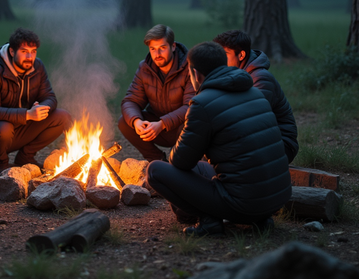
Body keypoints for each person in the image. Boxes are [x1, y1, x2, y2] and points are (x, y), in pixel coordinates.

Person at [146, 42, 292, 236]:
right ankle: (261, 220)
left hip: (243, 204)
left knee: (155, 170)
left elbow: (180, 161)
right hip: (276, 198)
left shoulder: (201, 103)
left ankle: (209, 222)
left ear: (195, 74)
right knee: (200, 167)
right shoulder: (255, 92)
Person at [0, 28, 72, 178]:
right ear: (12, 51)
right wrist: (28, 114)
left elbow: (50, 97)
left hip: (19, 126)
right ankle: (0, 164)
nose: (30, 57)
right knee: (3, 127)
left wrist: (43, 107)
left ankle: (25, 157)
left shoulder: (38, 67)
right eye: (24, 51)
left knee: (63, 117)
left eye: (33, 51)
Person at [213, 29, 299, 163]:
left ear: (241, 55)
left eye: (224, 54)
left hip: (281, 145)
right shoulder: (232, 75)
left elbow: (250, 119)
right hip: (259, 140)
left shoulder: (261, 79)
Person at [118, 24, 195, 162]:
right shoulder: (145, 68)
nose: (157, 54)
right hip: (156, 127)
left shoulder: (189, 67)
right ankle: (156, 160)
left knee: (192, 119)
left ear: (173, 46)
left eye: (162, 48)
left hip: (181, 128)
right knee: (125, 121)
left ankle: (178, 160)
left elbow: (191, 106)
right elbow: (131, 100)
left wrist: (162, 123)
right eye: (153, 49)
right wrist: (136, 121)